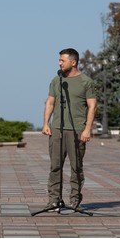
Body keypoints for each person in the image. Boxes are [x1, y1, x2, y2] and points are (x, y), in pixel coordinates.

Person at [42, 48, 97, 211]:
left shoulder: (86, 82)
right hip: (57, 129)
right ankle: (54, 200)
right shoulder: (56, 80)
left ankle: (75, 200)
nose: (59, 63)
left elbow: (92, 106)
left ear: (73, 62)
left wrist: (87, 129)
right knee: (55, 166)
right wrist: (46, 123)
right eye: (59, 60)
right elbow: (50, 102)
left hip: (77, 130)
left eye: (62, 60)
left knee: (76, 167)